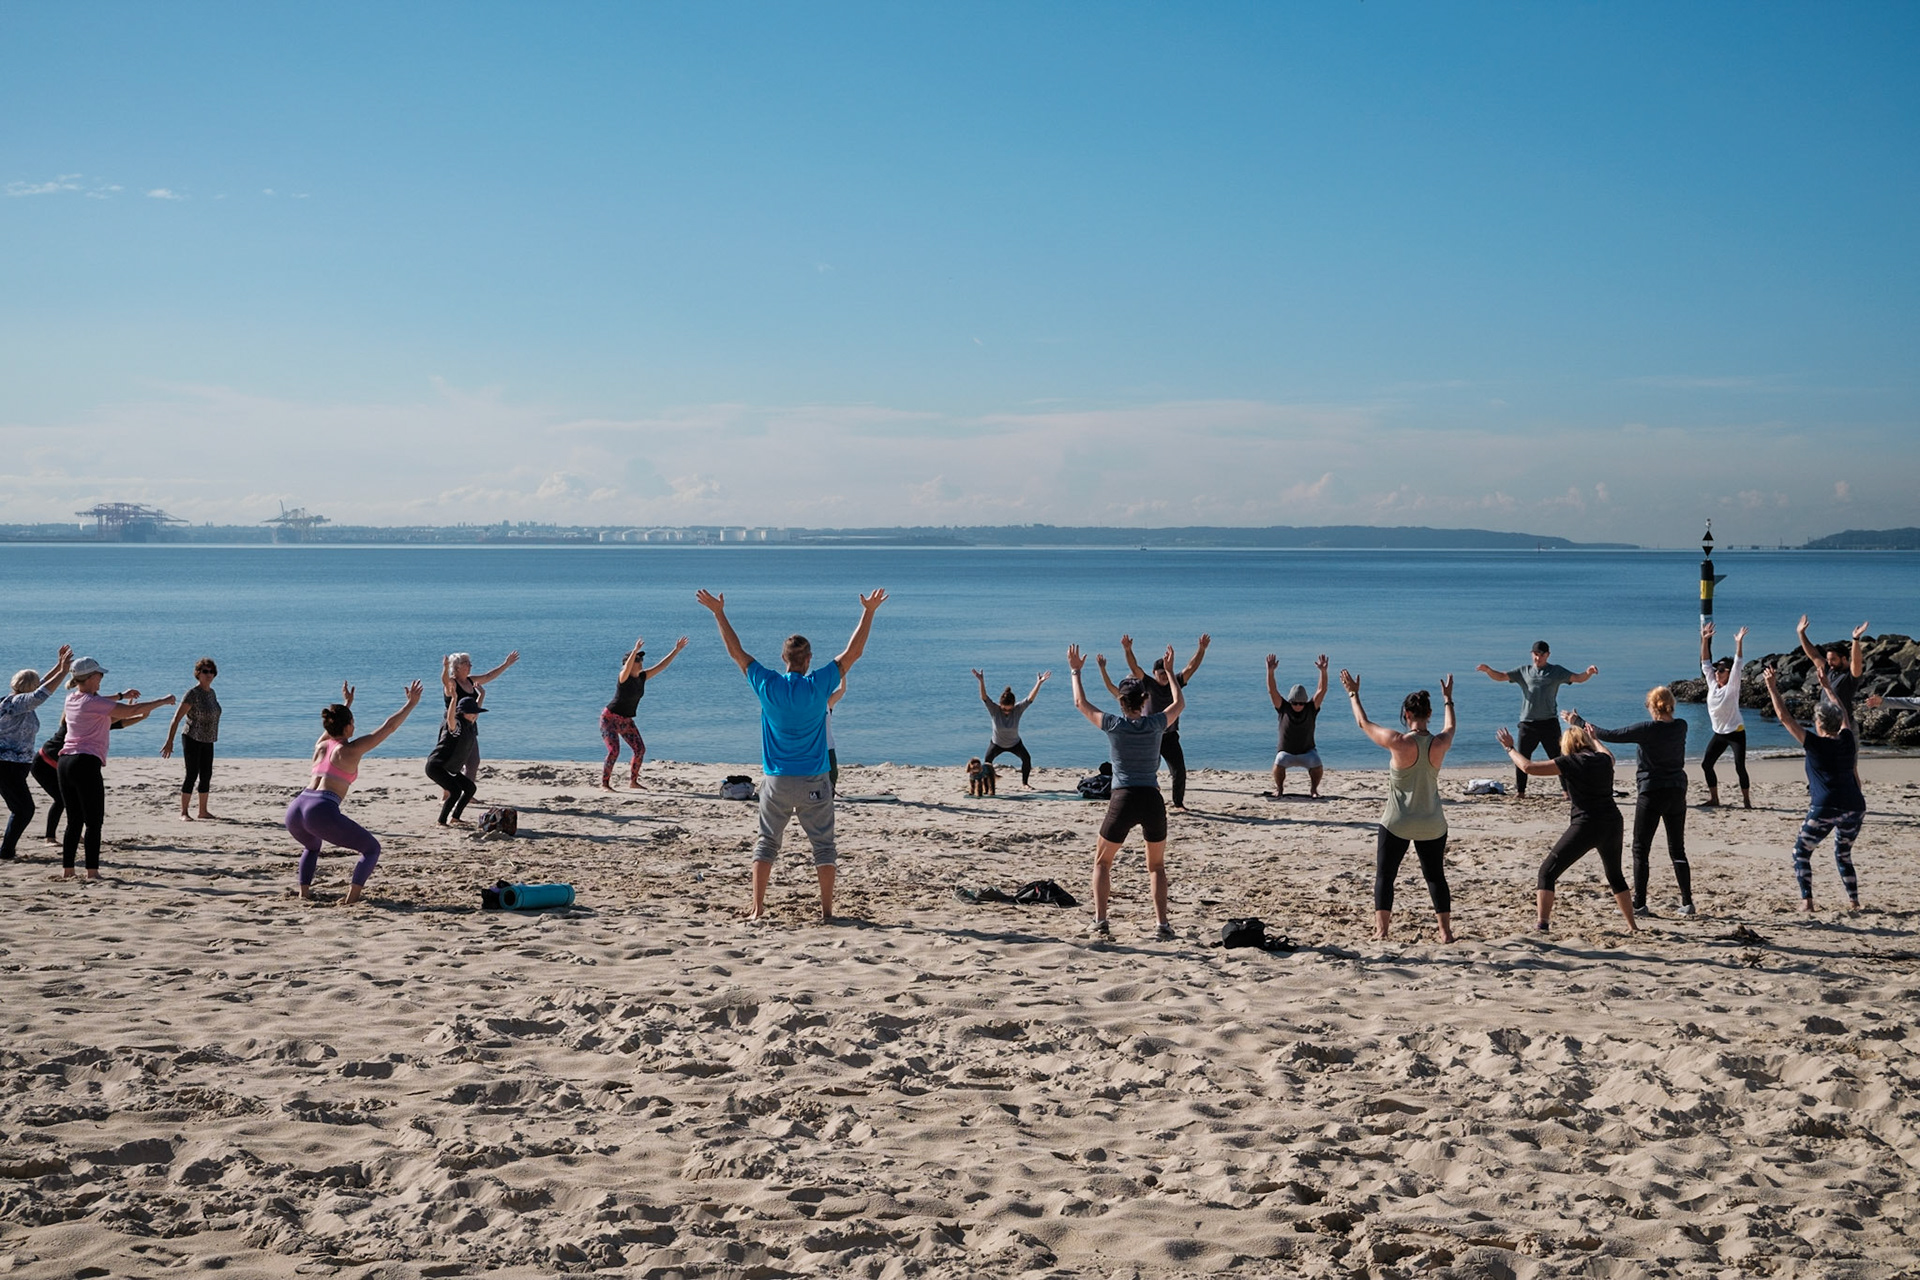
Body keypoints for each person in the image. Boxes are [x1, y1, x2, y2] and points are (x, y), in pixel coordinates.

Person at [697, 587, 887, 923]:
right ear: (808, 659)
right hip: (815, 780)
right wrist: (869, 612)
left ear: (784, 659)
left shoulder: (767, 684)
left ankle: (758, 909)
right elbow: (852, 653)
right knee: (824, 848)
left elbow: (736, 653)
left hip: (777, 782)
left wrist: (718, 612)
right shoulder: (819, 685)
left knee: (767, 844)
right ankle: (827, 913)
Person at [1069, 642, 1182, 940]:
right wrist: (1170, 673)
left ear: (1121, 702)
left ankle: (1101, 921)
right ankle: (1162, 925)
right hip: (1152, 799)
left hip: (1123, 798)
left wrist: (1075, 671)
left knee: (1102, 862)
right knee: (1156, 865)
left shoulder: (1113, 724)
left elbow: (1081, 703)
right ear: (1144, 700)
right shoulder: (1156, 723)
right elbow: (1179, 704)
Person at [1341, 668, 1455, 943]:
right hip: (1432, 822)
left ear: (1407, 715)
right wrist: (1448, 699)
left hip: (1398, 821)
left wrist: (1353, 693)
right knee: (1435, 877)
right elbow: (1451, 726)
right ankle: (1445, 932)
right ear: (1428, 715)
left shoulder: (1397, 742)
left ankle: (1381, 931)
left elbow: (1363, 723)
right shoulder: (1441, 742)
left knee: (1385, 876)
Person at [286, 680, 423, 903]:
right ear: (348, 726)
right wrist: (410, 704)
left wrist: (346, 703)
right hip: (320, 809)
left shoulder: (321, 744)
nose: (355, 726)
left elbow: (332, 728)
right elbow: (388, 727)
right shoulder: (351, 750)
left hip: (296, 808)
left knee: (312, 846)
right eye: (353, 722)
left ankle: (304, 893)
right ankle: (352, 898)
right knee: (371, 849)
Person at [1497, 718, 1637, 933]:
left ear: (1567, 746)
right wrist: (1596, 739)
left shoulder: (1570, 762)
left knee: (1547, 873)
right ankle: (1632, 925)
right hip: (1612, 822)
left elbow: (1528, 767)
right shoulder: (1602, 760)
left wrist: (1509, 748)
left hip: (1586, 825)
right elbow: (1611, 756)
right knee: (1615, 875)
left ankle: (1542, 924)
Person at [1566, 689, 1693, 918]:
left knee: (1640, 848)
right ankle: (1687, 902)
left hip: (1652, 791)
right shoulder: (1681, 726)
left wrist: (1577, 721)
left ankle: (1640, 904)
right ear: (1671, 705)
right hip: (1677, 790)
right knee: (1677, 848)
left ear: (1652, 707)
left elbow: (1609, 734)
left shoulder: (1646, 729)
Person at [58, 658, 177, 881]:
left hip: (65, 763)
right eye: (100, 675)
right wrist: (163, 700)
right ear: (91, 677)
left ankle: (68, 871)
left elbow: (103, 702)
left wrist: (122, 696)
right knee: (93, 822)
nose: (102, 678)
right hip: (85, 763)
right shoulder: (92, 703)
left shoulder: (72, 698)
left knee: (74, 820)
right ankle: (92, 872)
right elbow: (129, 712)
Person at [1765, 662, 1865, 912]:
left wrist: (1772, 688)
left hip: (1825, 805)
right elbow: (1843, 713)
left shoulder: (1814, 744)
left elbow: (1784, 718)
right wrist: (1828, 688)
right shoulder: (1847, 739)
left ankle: (1807, 902)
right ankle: (1853, 902)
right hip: (1855, 805)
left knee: (1801, 852)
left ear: (1819, 724)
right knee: (1843, 854)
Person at [1474, 642, 1598, 797]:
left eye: (1541, 654)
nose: (1537, 657)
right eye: (1535, 654)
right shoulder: (1524, 671)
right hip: (1528, 723)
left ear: (1547, 655)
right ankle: (1520, 792)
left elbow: (1578, 678)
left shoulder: (1556, 671)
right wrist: (1488, 670)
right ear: (1531, 654)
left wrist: (1589, 672)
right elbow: (1501, 676)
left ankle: (1566, 791)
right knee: (1522, 758)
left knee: (1559, 757)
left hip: (1549, 723)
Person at [1104, 633, 1209, 810]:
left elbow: (1191, 667)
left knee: (1179, 771)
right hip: (1149, 734)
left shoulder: (1175, 682)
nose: (1164, 677)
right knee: (1144, 770)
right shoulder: (1147, 684)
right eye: (1160, 674)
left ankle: (1178, 803)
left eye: (1165, 673)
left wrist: (1201, 649)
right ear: (1154, 673)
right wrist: (1128, 649)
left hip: (1169, 736)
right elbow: (1134, 667)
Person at [0, 646, 72, 860]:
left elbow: (39, 688)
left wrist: (59, 667)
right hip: (7, 765)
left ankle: (7, 851)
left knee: (20, 808)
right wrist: (63, 672)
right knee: (24, 809)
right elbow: (42, 693)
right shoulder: (16, 703)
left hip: (15, 766)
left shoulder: (16, 701)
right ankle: (6, 852)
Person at [600, 636, 687, 791]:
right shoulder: (623, 677)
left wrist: (676, 650)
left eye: (641, 660)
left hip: (626, 721)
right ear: (630, 663)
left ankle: (633, 782)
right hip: (610, 719)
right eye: (638, 660)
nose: (641, 662)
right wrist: (635, 650)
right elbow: (626, 668)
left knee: (640, 749)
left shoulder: (642, 677)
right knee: (614, 751)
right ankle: (605, 784)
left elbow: (662, 666)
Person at [441, 649, 518, 787]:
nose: (470, 665)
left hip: (470, 726)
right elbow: (445, 681)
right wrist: (445, 668)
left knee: (473, 761)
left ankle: (467, 792)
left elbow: (488, 676)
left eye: (470, 663)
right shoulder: (452, 683)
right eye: (467, 663)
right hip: (454, 726)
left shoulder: (471, 681)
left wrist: (506, 664)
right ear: (457, 667)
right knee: (454, 761)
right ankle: (447, 795)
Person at [160, 657, 222, 821]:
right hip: (192, 738)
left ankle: (203, 811)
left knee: (206, 774)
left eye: (211, 671)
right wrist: (169, 741)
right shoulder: (192, 694)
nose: (208, 674)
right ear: (198, 674)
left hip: (209, 739)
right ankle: (184, 812)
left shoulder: (212, 693)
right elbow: (176, 718)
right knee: (192, 774)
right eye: (205, 671)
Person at [1699, 623, 1751, 809]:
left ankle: (1746, 801)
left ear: (1729, 673)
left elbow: (1737, 664)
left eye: (1721, 670)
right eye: (1717, 669)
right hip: (1719, 733)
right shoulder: (1713, 684)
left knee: (1739, 766)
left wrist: (1739, 643)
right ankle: (1714, 798)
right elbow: (1705, 663)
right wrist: (1705, 640)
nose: (1717, 672)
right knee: (1706, 765)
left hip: (1736, 732)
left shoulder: (1733, 686)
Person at [1266, 653, 1329, 798]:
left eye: (1301, 703)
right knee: (1278, 761)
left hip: (1307, 752)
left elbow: (1322, 690)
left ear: (1305, 702)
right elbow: (1272, 690)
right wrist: (1270, 672)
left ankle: (1314, 790)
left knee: (1317, 763)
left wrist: (1323, 672)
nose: (1298, 706)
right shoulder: (1283, 708)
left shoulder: (1311, 708)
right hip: (1286, 752)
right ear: (1290, 702)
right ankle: (1279, 789)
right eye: (1295, 703)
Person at [975, 669, 1048, 788]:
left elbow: (1030, 699)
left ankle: (1025, 783)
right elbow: (984, 697)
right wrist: (981, 681)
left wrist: (1039, 683)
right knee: (987, 762)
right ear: (1000, 705)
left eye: (1009, 709)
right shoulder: (994, 710)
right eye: (1004, 709)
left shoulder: (1017, 710)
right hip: (996, 744)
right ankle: (987, 782)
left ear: (1013, 706)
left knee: (1027, 759)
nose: (1007, 712)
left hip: (1015, 744)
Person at [425, 691, 485, 826]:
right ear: (463, 712)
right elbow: (450, 718)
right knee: (455, 791)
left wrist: (482, 694)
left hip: (450, 768)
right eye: (472, 712)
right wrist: (454, 699)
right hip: (437, 766)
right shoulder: (456, 725)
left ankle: (455, 818)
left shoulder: (470, 724)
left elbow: (476, 708)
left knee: (470, 788)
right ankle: (441, 821)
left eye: (476, 713)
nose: (475, 715)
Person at [1797, 615, 1869, 717]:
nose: (1829, 663)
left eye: (1833, 659)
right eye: (1828, 659)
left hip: (1844, 724)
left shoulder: (1851, 676)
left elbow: (1856, 661)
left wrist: (1855, 639)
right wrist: (1801, 633)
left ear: (1844, 658)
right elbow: (1814, 655)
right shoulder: (1830, 670)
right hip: (1826, 723)